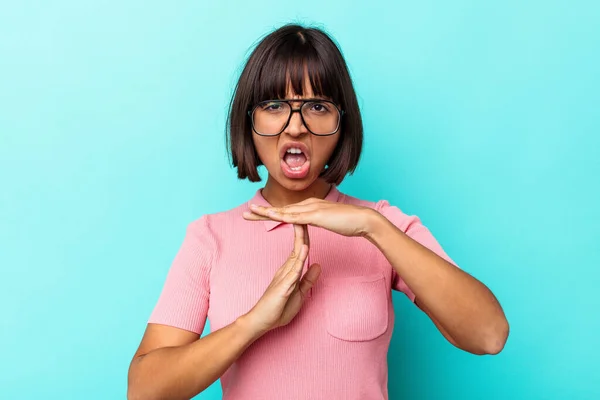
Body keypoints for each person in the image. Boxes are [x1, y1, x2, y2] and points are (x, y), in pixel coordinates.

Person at [127, 24, 509, 400]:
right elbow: (143, 391)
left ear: (342, 124)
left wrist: (372, 227)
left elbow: (488, 335)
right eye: (274, 106)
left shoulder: (382, 225)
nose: (295, 127)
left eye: (317, 107)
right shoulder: (210, 238)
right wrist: (253, 324)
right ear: (250, 120)